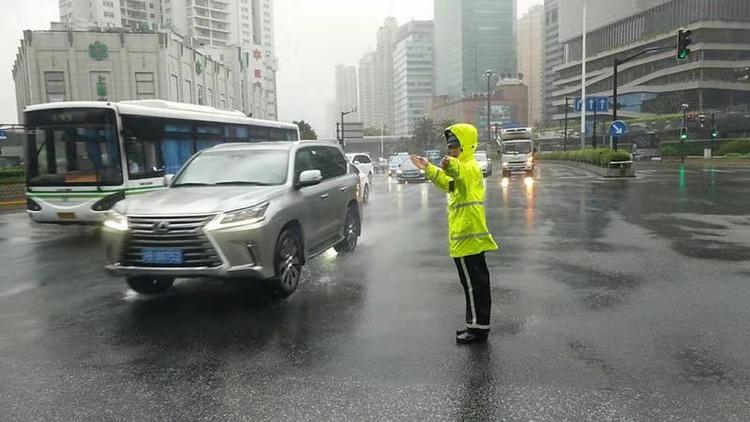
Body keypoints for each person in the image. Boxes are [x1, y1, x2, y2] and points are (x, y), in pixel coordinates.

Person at [410, 123, 498, 344]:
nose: (451, 150)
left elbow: (458, 173)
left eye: (455, 146)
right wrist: (428, 167)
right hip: (466, 239)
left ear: (466, 146)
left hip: (468, 239)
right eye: (449, 146)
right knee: (473, 285)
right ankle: (476, 325)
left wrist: (451, 164)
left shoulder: (469, 168)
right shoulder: (464, 169)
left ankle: (477, 329)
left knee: (474, 286)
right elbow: (448, 183)